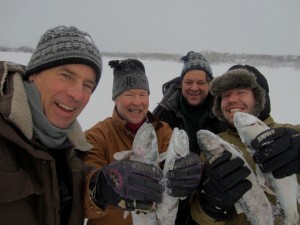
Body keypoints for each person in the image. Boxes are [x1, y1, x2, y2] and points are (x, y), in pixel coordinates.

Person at [0, 26, 102, 225]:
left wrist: (102, 186)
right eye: (66, 75)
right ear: (34, 74)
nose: (77, 94)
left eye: (87, 85)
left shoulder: (71, 148)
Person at [83, 58, 203, 225]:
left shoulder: (163, 131)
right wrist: (102, 187)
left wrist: (191, 171)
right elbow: (82, 192)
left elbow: (178, 164)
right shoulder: (96, 136)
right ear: (115, 98)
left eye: (143, 94)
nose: (137, 102)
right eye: (129, 94)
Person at [190, 64, 300, 224]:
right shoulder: (213, 146)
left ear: (259, 98)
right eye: (226, 95)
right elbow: (199, 217)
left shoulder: (291, 134)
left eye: (241, 92)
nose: (232, 100)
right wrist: (210, 207)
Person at [153, 51, 226, 225]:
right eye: (189, 82)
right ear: (181, 83)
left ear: (210, 84)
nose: (194, 88)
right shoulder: (164, 112)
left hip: (208, 201)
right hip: (171, 198)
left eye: (201, 82)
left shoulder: (222, 113)